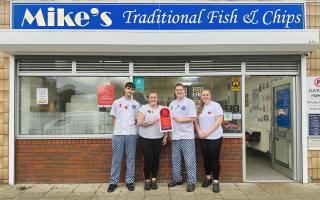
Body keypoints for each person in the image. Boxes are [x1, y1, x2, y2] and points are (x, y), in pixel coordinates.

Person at [108, 82, 140, 192]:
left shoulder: (136, 104)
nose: (130, 91)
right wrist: (119, 127)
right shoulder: (117, 102)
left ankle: (129, 181)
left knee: (130, 159)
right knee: (116, 159)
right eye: (128, 88)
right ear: (125, 89)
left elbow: (137, 120)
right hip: (118, 134)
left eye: (132, 89)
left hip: (131, 134)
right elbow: (113, 118)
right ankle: (113, 182)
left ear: (133, 91)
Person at [168, 83, 197, 192]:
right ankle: (177, 179)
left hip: (187, 136)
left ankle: (191, 182)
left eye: (181, 90)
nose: (179, 91)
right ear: (175, 92)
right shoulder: (172, 104)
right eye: (177, 90)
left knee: (189, 161)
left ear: (184, 91)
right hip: (175, 136)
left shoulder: (189, 102)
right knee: (176, 160)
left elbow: (193, 117)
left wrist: (181, 120)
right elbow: (168, 120)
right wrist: (169, 133)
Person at [136, 91, 168, 190]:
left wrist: (166, 136)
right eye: (151, 97)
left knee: (156, 159)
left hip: (158, 138)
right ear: (148, 99)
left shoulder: (163, 109)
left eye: (155, 97)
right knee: (148, 158)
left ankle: (154, 180)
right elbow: (139, 123)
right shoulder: (143, 108)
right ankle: (147, 180)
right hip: (145, 138)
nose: (153, 99)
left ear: (157, 98)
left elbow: (166, 124)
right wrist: (151, 122)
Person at [195, 89, 224, 193]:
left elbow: (219, 121)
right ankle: (208, 178)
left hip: (215, 137)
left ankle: (216, 182)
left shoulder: (216, 106)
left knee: (214, 159)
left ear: (210, 96)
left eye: (207, 95)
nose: (205, 96)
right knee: (206, 159)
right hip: (203, 138)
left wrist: (207, 132)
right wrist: (199, 132)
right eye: (203, 95)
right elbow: (196, 121)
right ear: (201, 97)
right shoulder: (199, 107)